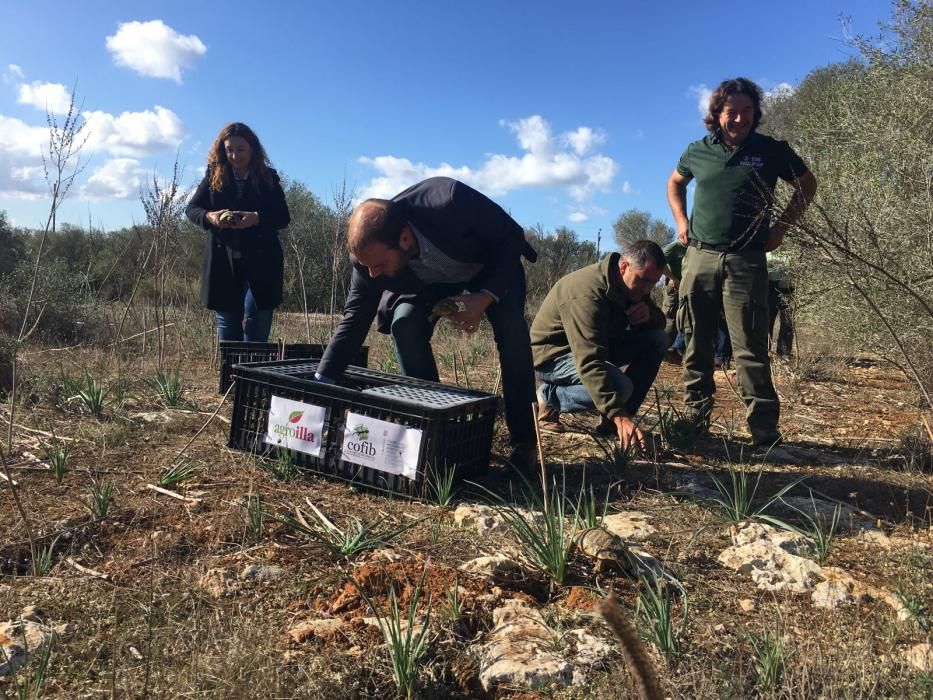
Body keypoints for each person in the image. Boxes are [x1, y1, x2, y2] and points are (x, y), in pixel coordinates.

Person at [316, 177, 539, 471]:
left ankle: (525, 441)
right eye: (367, 266)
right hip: (430, 284)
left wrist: (485, 297)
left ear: (404, 239)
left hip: (491, 270)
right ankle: (436, 428)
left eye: (380, 265)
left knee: (512, 333)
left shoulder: (449, 201)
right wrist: (321, 382)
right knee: (404, 324)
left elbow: (512, 237)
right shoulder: (368, 258)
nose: (373, 275)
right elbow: (355, 317)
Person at [667, 77, 816, 447]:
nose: (739, 119)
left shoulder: (770, 149)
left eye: (747, 111)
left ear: (755, 113)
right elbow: (674, 184)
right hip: (699, 256)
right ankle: (695, 422)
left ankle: (764, 432)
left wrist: (780, 228)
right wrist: (681, 223)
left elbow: (807, 185)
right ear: (716, 114)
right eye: (732, 112)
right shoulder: (697, 151)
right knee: (695, 340)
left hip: (747, 259)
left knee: (750, 346)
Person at [531, 240, 669, 452]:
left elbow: (659, 324)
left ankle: (613, 424)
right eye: (643, 281)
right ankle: (550, 397)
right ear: (624, 267)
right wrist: (618, 414)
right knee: (621, 387)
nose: (647, 289)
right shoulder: (586, 292)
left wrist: (650, 316)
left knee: (658, 340)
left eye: (653, 283)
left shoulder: (633, 286)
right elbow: (589, 361)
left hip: (599, 346)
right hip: (554, 356)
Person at [186, 122, 291, 343]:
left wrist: (257, 218)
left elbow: (283, 216)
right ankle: (230, 375)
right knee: (227, 324)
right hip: (223, 261)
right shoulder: (214, 176)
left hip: (263, 260)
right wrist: (210, 217)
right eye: (229, 150)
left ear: (253, 149)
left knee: (259, 319)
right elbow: (192, 209)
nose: (235, 155)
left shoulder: (268, 178)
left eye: (241, 149)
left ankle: (250, 375)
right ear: (222, 151)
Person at [767, 250, 795, 357]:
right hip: (769, 290)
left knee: (787, 322)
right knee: (766, 322)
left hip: (788, 290)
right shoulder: (768, 252)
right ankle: (764, 351)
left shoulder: (793, 252)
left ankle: (784, 353)